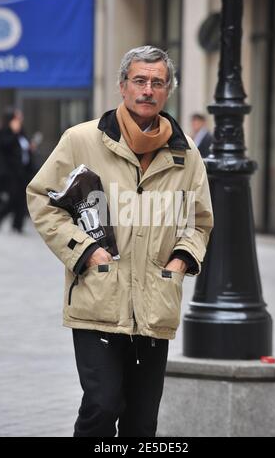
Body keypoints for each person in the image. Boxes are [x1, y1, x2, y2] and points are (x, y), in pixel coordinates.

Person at [26, 46, 213, 437]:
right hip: (99, 299)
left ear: (168, 91)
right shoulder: (81, 140)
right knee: (102, 404)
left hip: (155, 305)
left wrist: (179, 263)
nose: (148, 90)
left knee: (142, 421)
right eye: (140, 81)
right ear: (123, 86)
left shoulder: (186, 153)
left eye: (157, 82)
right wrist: (86, 252)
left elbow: (198, 221)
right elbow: (42, 198)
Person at [0, 107, 34, 233]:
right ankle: (1, 214)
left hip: (23, 170)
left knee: (23, 198)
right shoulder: (5, 131)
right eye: (17, 117)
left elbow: (23, 145)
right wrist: (14, 132)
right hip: (11, 172)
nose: (20, 119)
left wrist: (30, 147)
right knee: (14, 198)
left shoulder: (21, 130)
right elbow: (5, 146)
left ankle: (17, 225)